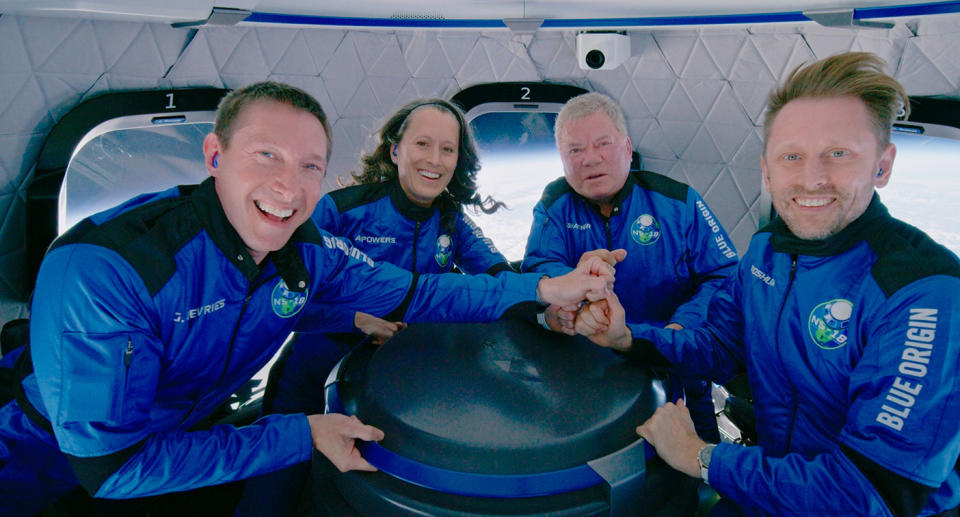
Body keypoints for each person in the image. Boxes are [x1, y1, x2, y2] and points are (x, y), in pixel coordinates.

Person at [0, 81, 619, 517]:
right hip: (35, 452)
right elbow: (112, 468)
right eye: (266, 155)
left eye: (308, 167)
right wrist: (303, 433)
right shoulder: (108, 270)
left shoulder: (308, 255)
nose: (287, 186)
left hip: (186, 440)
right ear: (215, 156)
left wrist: (545, 291)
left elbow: (420, 292)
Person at [576, 52, 960, 516]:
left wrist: (702, 457)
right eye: (791, 156)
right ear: (766, 169)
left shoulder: (922, 293)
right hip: (772, 486)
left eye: (838, 154)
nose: (811, 177)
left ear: (882, 165)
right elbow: (719, 346)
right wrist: (629, 338)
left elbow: (872, 492)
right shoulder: (766, 253)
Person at [242, 98, 517, 514]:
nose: (435, 160)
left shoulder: (451, 220)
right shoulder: (342, 210)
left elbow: (500, 276)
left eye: (448, 149)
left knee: (357, 495)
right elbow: (280, 294)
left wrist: (553, 294)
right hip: (314, 368)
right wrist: (354, 318)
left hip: (396, 381)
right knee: (274, 490)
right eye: (422, 144)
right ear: (395, 150)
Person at [522, 92, 738, 446]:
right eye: (575, 151)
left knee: (691, 472)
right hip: (589, 370)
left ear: (626, 147)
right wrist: (577, 293)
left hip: (673, 361)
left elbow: (724, 275)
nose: (590, 159)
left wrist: (684, 324)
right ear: (562, 159)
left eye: (602, 144)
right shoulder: (553, 206)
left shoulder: (678, 202)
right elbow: (538, 268)